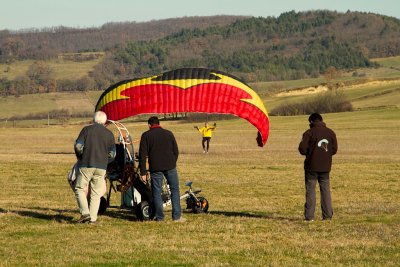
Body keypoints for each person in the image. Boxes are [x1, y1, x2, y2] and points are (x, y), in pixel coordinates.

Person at [138, 116, 184, 222]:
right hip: (170, 166)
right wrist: (172, 162)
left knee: (157, 192)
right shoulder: (169, 133)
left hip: (155, 168)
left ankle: (160, 217)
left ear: (149, 125)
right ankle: (176, 216)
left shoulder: (146, 135)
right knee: (174, 189)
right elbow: (176, 151)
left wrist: (143, 172)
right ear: (159, 123)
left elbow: (142, 155)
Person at [74, 111, 116, 224]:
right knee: (96, 193)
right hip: (101, 167)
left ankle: (85, 213)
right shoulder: (109, 134)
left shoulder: (86, 130)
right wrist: (105, 162)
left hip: (87, 164)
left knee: (79, 188)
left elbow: (78, 146)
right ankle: (92, 219)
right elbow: (113, 154)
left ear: (94, 119)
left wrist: (81, 157)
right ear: (105, 121)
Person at [298, 113, 338, 221]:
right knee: (325, 190)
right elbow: (334, 150)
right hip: (325, 167)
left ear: (311, 121)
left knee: (311, 190)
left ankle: (309, 217)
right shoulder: (330, 133)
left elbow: (302, 149)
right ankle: (327, 215)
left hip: (311, 166)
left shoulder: (309, 133)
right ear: (321, 120)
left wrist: (311, 153)